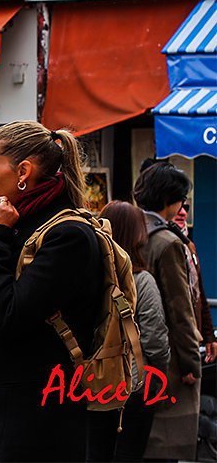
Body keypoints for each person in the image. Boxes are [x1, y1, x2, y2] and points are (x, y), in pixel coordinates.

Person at [0, 121, 103, 462]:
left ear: (23, 171)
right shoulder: (20, 224)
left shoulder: (67, 235)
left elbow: (8, 316)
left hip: (28, 427)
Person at [88, 201, 170, 461]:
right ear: (138, 236)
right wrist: (160, 373)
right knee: (128, 454)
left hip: (90, 380)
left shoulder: (87, 275)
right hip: (133, 383)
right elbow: (155, 338)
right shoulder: (142, 281)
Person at [133, 160, 201, 461]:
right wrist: (191, 364)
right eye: (180, 198)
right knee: (164, 446)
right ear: (168, 200)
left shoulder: (129, 232)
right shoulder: (167, 242)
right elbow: (180, 309)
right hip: (166, 357)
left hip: (130, 353)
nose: (182, 204)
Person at [173, 201, 216, 363]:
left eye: (186, 208)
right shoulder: (157, 244)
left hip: (193, 340)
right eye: (177, 207)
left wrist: (209, 335)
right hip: (175, 346)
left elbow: (200, 294)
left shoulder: (189, 245)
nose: (183, 213)